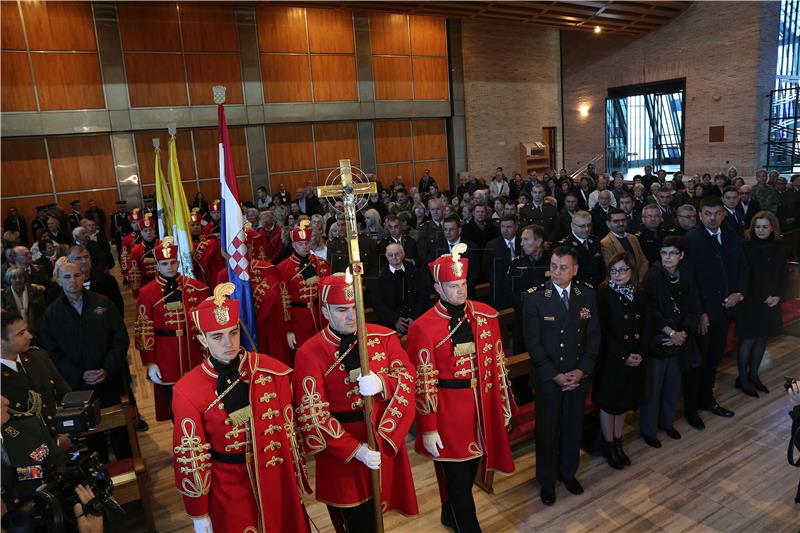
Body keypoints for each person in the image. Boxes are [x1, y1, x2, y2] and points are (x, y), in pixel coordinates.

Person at [171, 283, 311, 533]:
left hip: (276, 476)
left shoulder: (271, 370)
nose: (229, 343)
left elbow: (291, 433)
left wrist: (296, 478)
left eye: (233, 332)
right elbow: (190, 458)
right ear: (202, 339)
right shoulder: (186, 391)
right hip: (229, 487)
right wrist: (198, 512)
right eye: (217, 336)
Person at [293, 273, 418, 532]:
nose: (351, 316)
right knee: (357, 523)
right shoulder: (309, 353)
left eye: (355, 308)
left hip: (382, 439)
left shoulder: (384, 338)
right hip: (343, 454)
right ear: (325, 312)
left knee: (379, 515)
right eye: (341, 310)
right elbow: (313, 415)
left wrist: (383, 383)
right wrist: (355, 450)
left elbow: (407, 374)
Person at [408, 245, 515, 531]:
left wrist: (502, 405)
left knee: (469, 470)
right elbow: (422, 381)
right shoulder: (423, 327)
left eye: (463, 284)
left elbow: (498, 366)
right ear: (438, 288)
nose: (460, 291)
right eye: (453, 286)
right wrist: (428, 427)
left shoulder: (485, 315)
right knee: (457, 479)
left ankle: (448, 514)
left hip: (481, 404)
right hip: (447, 413)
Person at [522, 246, 601, 506]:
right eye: (554, 266)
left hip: (577, 378)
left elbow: (593, 336)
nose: (557, 272)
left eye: (563, 267)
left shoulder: (586, 295)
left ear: (575, 270)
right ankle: (547, 481)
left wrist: (582, 371)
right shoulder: (535, 298)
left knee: (572, 428)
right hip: (549, 380)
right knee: (547, 432)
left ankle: (568, 473)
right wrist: (555, 375)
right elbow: (533, 344)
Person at [40, 258, 131, 462]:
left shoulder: (103, 303)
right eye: (67, 277)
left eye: (77, 275)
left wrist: (106, 369)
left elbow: (120, 339)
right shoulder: (51, 315)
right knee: (91, 434)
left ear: (84, 276)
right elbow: (53, 354)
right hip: (78, 386)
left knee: (121, 431)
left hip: (109, 379)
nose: (73, 280)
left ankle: (128, 467)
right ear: (58, 281)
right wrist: (80, 374)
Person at [684, 196, 748, 418]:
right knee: (698, 362)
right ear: (700, 215)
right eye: (708, 214)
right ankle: (691, 408)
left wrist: (738, 293)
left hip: (725, 309)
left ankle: (707, 399)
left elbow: (742, 268)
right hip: (704, 313)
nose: (713, 218)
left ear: (723, 214)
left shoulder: (731, 235)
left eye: (717, 213)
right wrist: (700, 312)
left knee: (714, 358)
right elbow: (689, 282)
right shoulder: (691, 240)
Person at [135, 238, 210, 421]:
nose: (169, 267)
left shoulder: (196, 288)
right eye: (164, 263)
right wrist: (150, 362)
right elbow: (144, 330)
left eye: (173, 262)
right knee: (174, 401)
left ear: (178, 262)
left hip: (193, 349)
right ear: (158, 266)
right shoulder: (147, 293)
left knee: (200, 396)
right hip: (165, 353)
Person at [0, 311, 72, 502]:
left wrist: (68, 432)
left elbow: (64, 393)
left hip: (60, 452)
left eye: (27, 330)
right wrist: (53, 447)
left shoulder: (37, 356)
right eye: (20, 333)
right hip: (26, 468)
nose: (29, 336)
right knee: (40, 510)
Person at [641, 235, 705, 442]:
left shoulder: (686, 275)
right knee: (654, 389)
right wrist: (670, 333)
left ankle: (667, 423)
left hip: (680, 339)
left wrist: (683, 333)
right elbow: (651, 311)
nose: (668, 257)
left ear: (681, 255)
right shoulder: (652, 276)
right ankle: (648, 430)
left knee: (672, 386)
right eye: (664, 253)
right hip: (659, 339)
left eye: (673, 253)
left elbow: (694, 307)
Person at [594, 253, 649, 469]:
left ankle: (618, 441)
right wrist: (624, 355)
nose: (618, 275)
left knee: (623, 402)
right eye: (614, 270)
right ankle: (608, 445)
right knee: (610, 404)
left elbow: (647, 325)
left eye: (623, 270)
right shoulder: (603, 293)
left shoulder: (639, 293)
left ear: (632, 272)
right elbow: (604, 331)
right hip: (612, 358)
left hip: (634, 356)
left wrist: (640, 353)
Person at [735, 211, 788, 397]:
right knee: (748, 338)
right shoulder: (746, 246)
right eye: (757, 227)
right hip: (751, 300)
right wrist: (764, 296)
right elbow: (745, 276)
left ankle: (754, 375)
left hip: (772, 301)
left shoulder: (779, 245)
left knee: (762, 338)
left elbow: (783, 273)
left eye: (765, 227)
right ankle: (742, 378)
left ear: (772, 227)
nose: (761, 230)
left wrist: (778, 295)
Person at [277, 220, 331, 353]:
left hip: (321, 316)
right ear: (294, 245)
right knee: (306, 353)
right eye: (300, 244)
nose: (305, 247)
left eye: (307, 243)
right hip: (299, 319)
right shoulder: (283, 268)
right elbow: (284, 302)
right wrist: (288, 329)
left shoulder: (322, 264)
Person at [506, 225, 550, 355]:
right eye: (521, 239)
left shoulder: (551, 262)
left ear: (539, 241)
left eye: (526, 239)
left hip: (547, 319)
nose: (521, 243)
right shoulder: (516, 263)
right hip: (523, 318)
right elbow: (509, 289)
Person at [369, 242, 424, 334]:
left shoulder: (414, 271)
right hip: (390, 323)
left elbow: (422, 296)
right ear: (386, 256)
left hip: (415, 319)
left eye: (397, 254)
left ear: (403, 254)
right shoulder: (379, 276)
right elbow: (377, 303)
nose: (394, 257)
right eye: (390, 255)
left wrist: (413, 317)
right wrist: (394, 319)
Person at [600, 208, 649, 283]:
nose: (621, 223)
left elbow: (644, 261)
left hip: (640, 282)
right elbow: (611, 267)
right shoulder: (605, 243)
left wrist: (640, 279)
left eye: (623, 220)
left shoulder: (633, 238)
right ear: (608, 224)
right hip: (622, 283)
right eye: (616, 221)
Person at [557, 210, 604, 286]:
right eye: (582, 226)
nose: (586, 229)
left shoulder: (595, 242)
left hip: (597, 287)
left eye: (589, 225)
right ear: (572, 226)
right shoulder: (565, 246)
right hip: (578, 288)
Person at [1, 267, 47, 344]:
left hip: (36, 331)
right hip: (15, 333)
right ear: (9, 279)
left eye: (21, 277)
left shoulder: (36, 291)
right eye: (14, 277)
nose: (18, 280)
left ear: (25, 278)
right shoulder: (3, 295)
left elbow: (43, 311)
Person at [484, 215, 520, 310]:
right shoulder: (492, 245)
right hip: (500, 292)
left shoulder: (523, 242)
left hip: (520, 291)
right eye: (503, 227)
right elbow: (486, 268)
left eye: (509, 227)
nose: (505, 230)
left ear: (516, 227)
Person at [128, 213, 159, 297]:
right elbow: (134, 272)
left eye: (150, 230)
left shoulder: (162, 245)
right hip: (146, 284)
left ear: (155, 231)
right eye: (145, 230)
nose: (148, 233)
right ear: (141, 232)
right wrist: (136, 291)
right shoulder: (135, 250)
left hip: (162, 283)